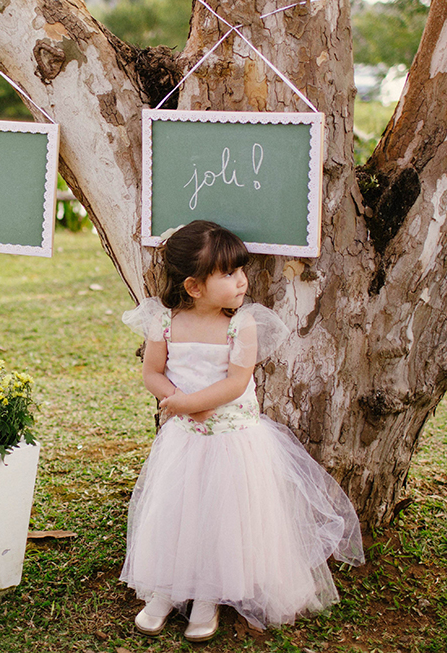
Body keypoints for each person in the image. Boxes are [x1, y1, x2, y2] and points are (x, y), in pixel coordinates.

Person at [120, 220, 364, 642]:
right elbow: (152, 373)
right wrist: (174, 399)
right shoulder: (165, 322)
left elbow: (235, 383)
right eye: (228, 274)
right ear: (194, 287)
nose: (241, 281)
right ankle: (164, 589)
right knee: (177, 510)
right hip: (185, 440)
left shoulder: (242, 324)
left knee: (223, 518)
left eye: (240, 271)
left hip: (234, 441)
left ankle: (208, 597)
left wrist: (189, 405)